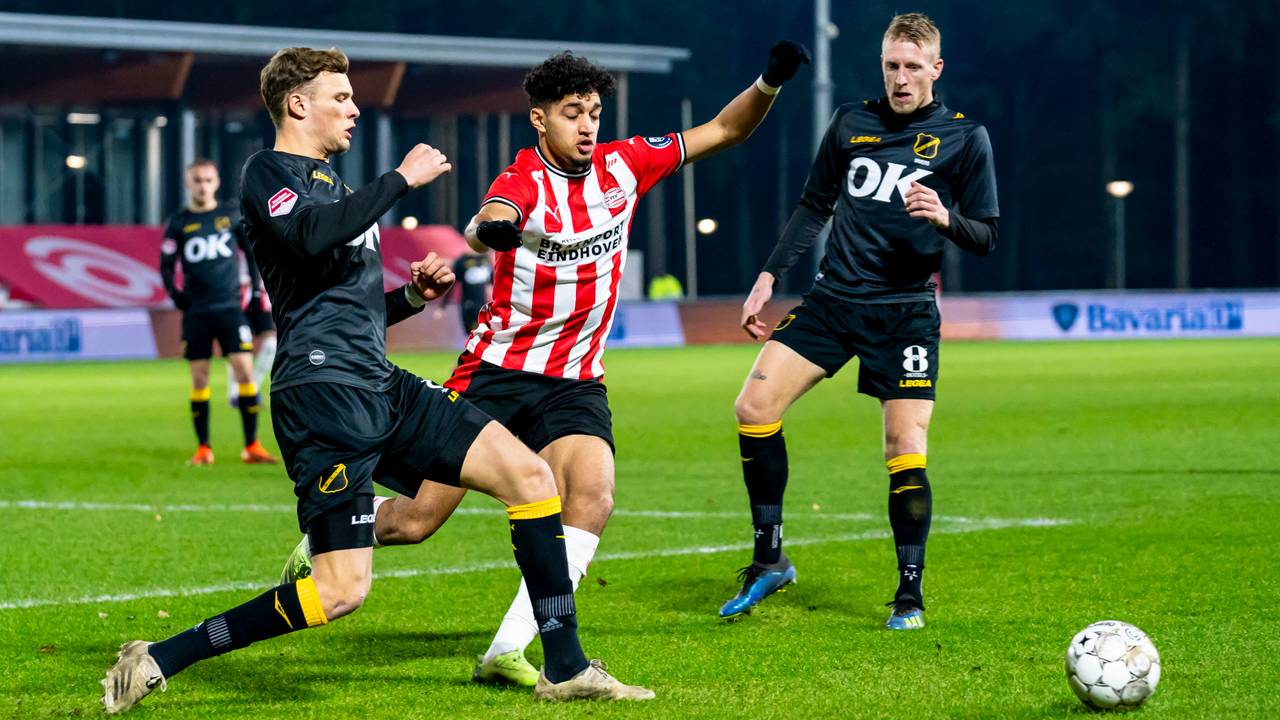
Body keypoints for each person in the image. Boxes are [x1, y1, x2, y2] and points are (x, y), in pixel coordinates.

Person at [100, 46, 651, 715]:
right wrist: (399, 179)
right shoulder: (268, 173)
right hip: (322, 394)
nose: (354, 109)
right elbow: (305, 237)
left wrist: (412, 298)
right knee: (339, 592)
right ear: (298, 103)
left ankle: (563, 667)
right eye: (341, 97)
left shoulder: (336, 186)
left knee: (530, 478)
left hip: (378, 380)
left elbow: (345, 303)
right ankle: (161, 656)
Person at [279, 43, 811, 687]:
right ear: (540, 119)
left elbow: (725, 128)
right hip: (498, 373)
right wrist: (499, 229)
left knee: (593, 494)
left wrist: (770, 79)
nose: (588, 126)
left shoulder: (627, 164)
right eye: (572, 113)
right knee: (417, 521)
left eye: (593, 112)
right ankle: (324, 543)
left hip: (576, 381)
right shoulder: (521, 181)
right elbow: (494, 216)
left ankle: (508, 650)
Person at [719, 12, 999, 630]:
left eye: (911, 67)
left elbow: (987, 235)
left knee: (905, 446)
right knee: (753, 408)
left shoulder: (964, 137)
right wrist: (768, 275)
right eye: (891, 65)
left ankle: (908, 594)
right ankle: (769, 561)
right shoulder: (851, 121)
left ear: (936, 68)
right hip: (832, 302)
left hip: (904, 315)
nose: (900, 79)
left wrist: (946, 219)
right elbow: (815, 205)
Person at [159, 158, 277, 466]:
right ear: (188, 183)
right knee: (199, 378)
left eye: (208, 180)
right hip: (197, 311)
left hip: (229, 308)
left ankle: (251, 445)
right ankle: (203, 448)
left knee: (245, 372)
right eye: (197, 180)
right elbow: (166, 264)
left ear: (217, 182)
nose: (202, 186)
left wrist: (253, 290)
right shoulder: (179, 222)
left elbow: (251, 255)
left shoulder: (229, 217)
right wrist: (175, 294)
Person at [225, 261, 277, 407]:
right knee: (238, 348)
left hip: (260, 293)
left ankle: (253, 387)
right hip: (237, 293)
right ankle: (234, 392)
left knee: (271, 345)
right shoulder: (235, 238)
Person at [450, 250, 492, 334]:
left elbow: (493, 279)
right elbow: (452, 282)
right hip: (468, 302)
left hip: (482, 302)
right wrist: (442, 307)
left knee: (481, 332)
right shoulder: (462, 260)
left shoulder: (485, 259)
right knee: (471, 333)